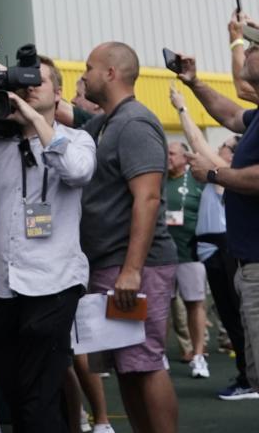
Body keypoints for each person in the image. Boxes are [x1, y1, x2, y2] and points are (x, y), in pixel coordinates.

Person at [0, 56, 95, 432]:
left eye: (37, 82)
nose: (29, 88)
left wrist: (32, 118)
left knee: (37, 396)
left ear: (58, 93)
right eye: (22, 84)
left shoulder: (76, 139)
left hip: (54, 282)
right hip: (3, 285)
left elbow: (76, 171)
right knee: (16, 390)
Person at [79, 42, 178, 433]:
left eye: (89, 67)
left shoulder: (135, 122)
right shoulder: (105, 123)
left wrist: (132, 270)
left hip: (136, 267)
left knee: (145, 363)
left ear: (110, 73)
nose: (82, 75)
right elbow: (64, 124)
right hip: (111, 266)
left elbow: (148, 197)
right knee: (127, 368)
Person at [172, 28, 259, 401]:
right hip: (247, 261)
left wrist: (212, 173)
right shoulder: (257, 117)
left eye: (256, 46)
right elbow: (229, 112)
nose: (251, 49)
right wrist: (194, 84)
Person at [163, 140, 210, 377]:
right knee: (160, 307)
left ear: (184, 157)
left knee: (195, 304)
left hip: (191, 253)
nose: (167, 157)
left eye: (171, 153)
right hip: (160, 255)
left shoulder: (196, 180)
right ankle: (158, 355)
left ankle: (199, 356)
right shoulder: (157, 178)